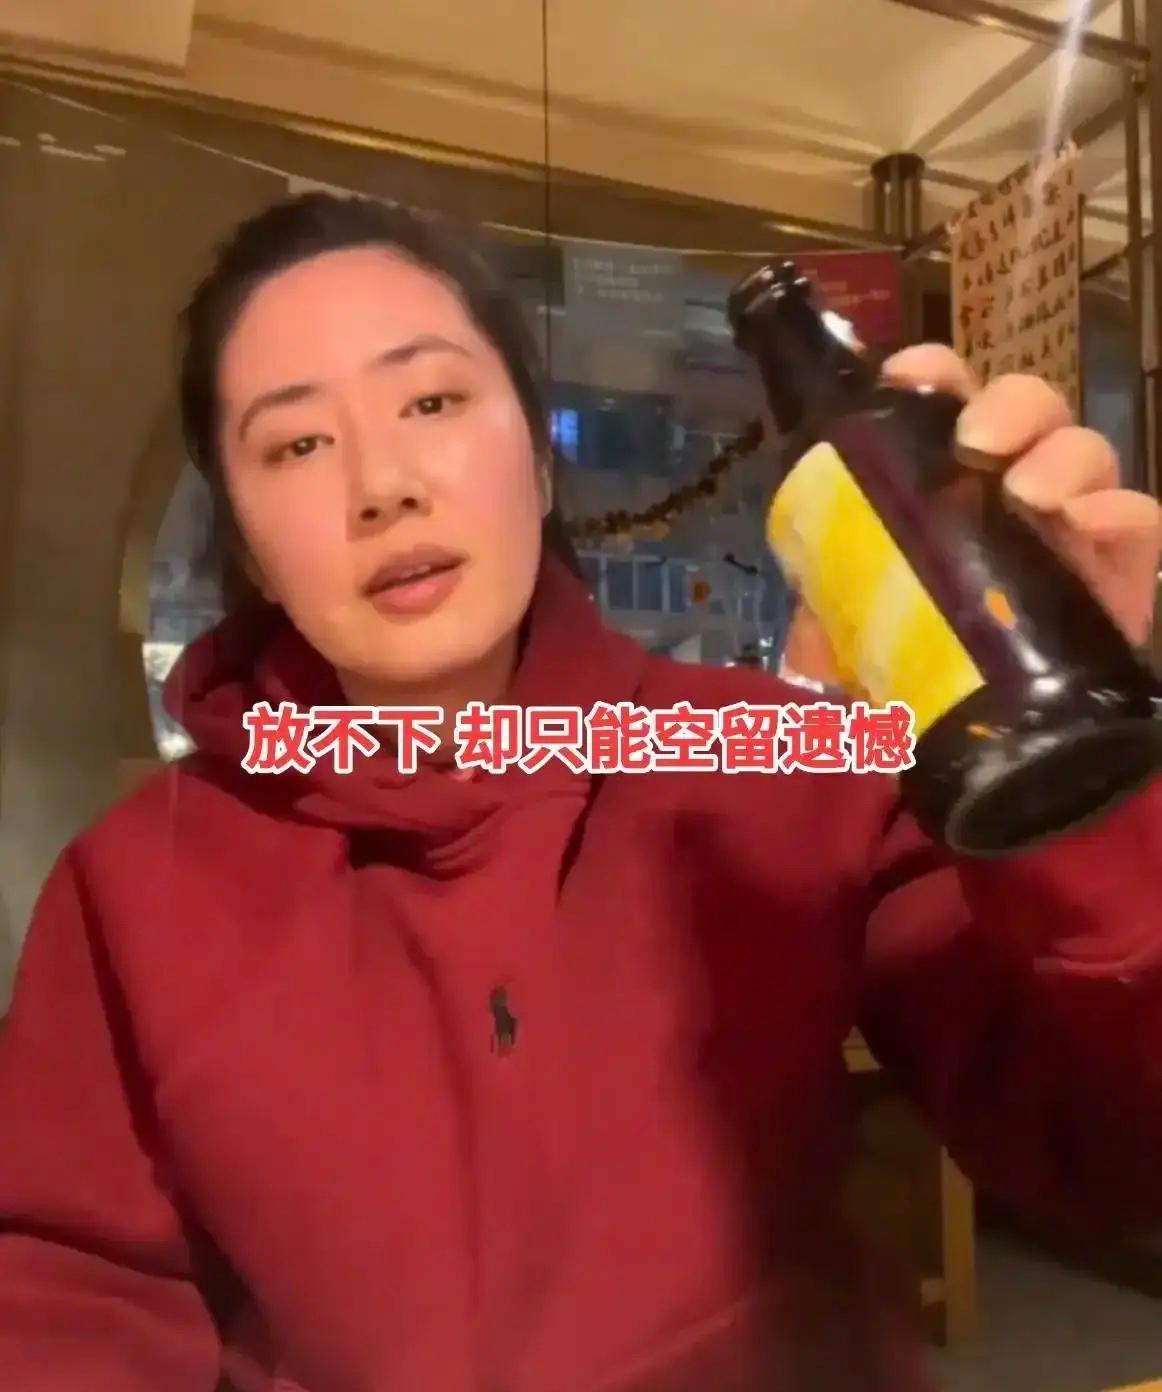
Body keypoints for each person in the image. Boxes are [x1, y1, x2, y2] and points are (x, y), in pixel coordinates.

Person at [1, 192, 1160, 1392]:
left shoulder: (778, 766)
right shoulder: (134, 888)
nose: (382, 484)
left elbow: (1116, 1150)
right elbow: (67, 1307)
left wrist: (1082, 782)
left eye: (432, 401)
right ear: (247, 546)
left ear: (538, 460)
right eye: (296, 444)